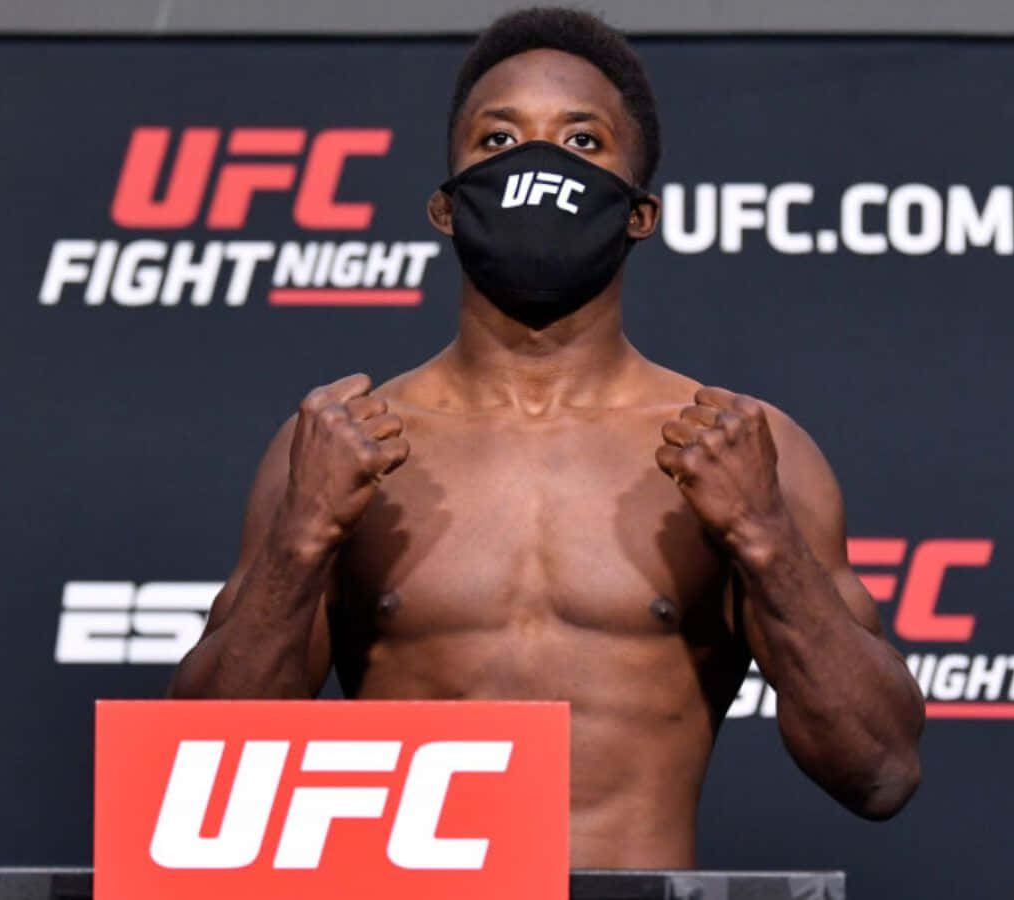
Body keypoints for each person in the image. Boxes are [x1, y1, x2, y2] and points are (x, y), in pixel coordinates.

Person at [170, 7, 924, 868]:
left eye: (582, 141)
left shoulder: (740, 449)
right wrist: (300, 543)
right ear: (445, 206)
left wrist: (768, 542)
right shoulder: (342, 445)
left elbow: (880, 771)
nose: (537, 168)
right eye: (498, 140)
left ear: (640, 213)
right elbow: (200, 773)